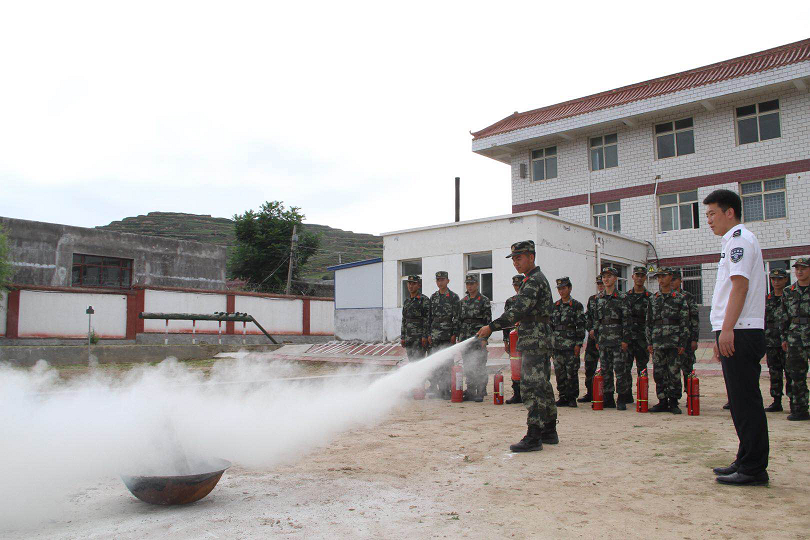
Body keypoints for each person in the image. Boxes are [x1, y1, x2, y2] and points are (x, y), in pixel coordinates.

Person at [705, 189, 769, 486]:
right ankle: (745, 459)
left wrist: (727, 329)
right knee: (740, 401)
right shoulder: (731, 241)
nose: (709, 220)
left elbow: (740, 287)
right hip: (734, 328)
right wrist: (721, 332)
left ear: (729, 212)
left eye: (712, 213)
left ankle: (754, 468)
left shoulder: (740, 239)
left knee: (745, 401)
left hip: (741, 329)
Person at [477, 240, 558, 452]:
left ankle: (533, 436)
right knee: (542, 385)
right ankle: (549, 430)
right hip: (537, 338)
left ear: (531, 256)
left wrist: (491, 327)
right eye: (513, 259)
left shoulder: (533, 281)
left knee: (532, 386)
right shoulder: (533, 279)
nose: (515, 262)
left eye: (519, 258)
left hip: (535, 339)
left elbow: (517, 312)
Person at [646, 267, 689, 414]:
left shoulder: (679, 298)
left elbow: (684, 322)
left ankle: (674, 401)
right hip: (658, 340)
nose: (661, 279)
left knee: (674, 372)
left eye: (664, 276)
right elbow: (649, 322)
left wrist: (682, 342)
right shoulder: (653, 299)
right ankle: (662, 400)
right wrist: (649, 342)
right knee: (658, 372)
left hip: (673, 340)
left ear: (671, 277)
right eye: (659, 277)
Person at [593, 267, 631, 410]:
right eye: (604, 277)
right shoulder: (599, 298)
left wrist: (625, 340)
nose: (606, 279)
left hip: (617, 338)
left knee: (620, 370)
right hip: (603, 339)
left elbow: (627, 321)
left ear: (615, 278)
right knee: (605, 369)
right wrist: (597, 339)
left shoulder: (622, 297)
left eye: (609, 276)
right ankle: (608, 397)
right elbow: (596, 321)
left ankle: (621, 398)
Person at [780, 258, 810, 421]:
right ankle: (800, 409)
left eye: (803, 268)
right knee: (796, 375)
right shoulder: (788, 291)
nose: (799, 271)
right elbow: (784, 317)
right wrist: (784, 337)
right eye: (797, 269)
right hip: (795, 338)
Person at [551, 277, 586, 407]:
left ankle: (572, 397)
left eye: (564, 288)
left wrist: (578, 343)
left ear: (570, 288)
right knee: (560, 372)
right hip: (557, 345)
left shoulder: (576, 305)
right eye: (559, 289)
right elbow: (550, 326)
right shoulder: (555, 306)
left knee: (571, 372)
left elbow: (580, 326)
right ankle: (563, 396)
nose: (561, 291)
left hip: (571, 344)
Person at [458, 274, 492, 402]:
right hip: (466, 338)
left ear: (477, 284)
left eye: (472, 283)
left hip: (479, 337)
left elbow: (488, 322)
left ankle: (480, 390)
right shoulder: (463, 301)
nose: (470, 286)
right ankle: (471, 390)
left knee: (479, 364)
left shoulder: (484, 300)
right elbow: (460, 321)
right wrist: (460, 339)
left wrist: (485, 339)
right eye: (468, 284)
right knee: (468, 365)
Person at [428, 271, 460, 399]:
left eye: (442, 280)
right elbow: (430, 317)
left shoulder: (453, 297)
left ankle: (446, 390)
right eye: (438, 280)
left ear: (448, 281)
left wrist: (454, 334)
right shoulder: (434, 297)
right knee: (435, 362)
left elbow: (457, 317)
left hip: (447, 333)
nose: (440, 282)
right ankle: (436, 389)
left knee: (447, 362)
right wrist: (429, 333)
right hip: (435, 333)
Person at [764, 268, 792, 413]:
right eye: (774, 279)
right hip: (771, 342)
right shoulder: (767, 299)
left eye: (779, 279)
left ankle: (794, 401)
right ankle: (776, 401)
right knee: (774, 372)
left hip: (788, 342)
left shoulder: (790, 297)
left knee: (790, 372)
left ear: (785, 280)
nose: (776, 282)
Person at [625, 266, 652, 402]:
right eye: (637, 275)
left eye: (642, 275)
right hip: (629, 338)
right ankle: (627, 395)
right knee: (626, 368)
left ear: (645, 278)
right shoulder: (626, 296)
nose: (640, 278)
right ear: (633, 277)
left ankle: (643, 394)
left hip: (642, 338)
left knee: (642, 368)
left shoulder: (650, 298)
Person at [672, 269, 700, 394]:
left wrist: (694, 339)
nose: (672, 282)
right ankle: (673, 397)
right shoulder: (665, 297)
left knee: (687, 368)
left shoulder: (688, 297)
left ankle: (690, 395)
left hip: (686, 339)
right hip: (671, 339)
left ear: (680, 281)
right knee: (672, 370)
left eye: (674, 279)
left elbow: (694, 319)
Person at [579, 276, 604, 403]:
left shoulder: (610, 299)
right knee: (589, 365)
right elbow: (587, 317)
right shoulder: (592, 299)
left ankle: (605, 393)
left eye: (602, 283)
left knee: (607, 366)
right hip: (593, 338)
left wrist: (598, 329)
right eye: (599, 283)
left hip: (606, 337)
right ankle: (590, 392)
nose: (600, 286)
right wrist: (590, 329)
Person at [503, 274, 524, 403]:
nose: (517, 287)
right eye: (515, 285)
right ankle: (517, 393)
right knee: (515, 365)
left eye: (519, 285)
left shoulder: (529, 299)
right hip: (513, 339)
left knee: (526, 365)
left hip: (527, 338)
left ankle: (527, 393)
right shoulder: (510, 301)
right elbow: (506, 322)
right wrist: (506, 341)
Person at [400, 275, 430, 362]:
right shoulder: (407, 301)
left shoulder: (424, 300)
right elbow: (404, 320)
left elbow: (427, 319)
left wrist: (425, 336)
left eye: (413, 284)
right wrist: (402, 337)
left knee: (419, 361)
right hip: (409, 337)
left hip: (419, 338)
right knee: (412, 361)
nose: (411, 286)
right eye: (409, 283)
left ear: (419, 285)